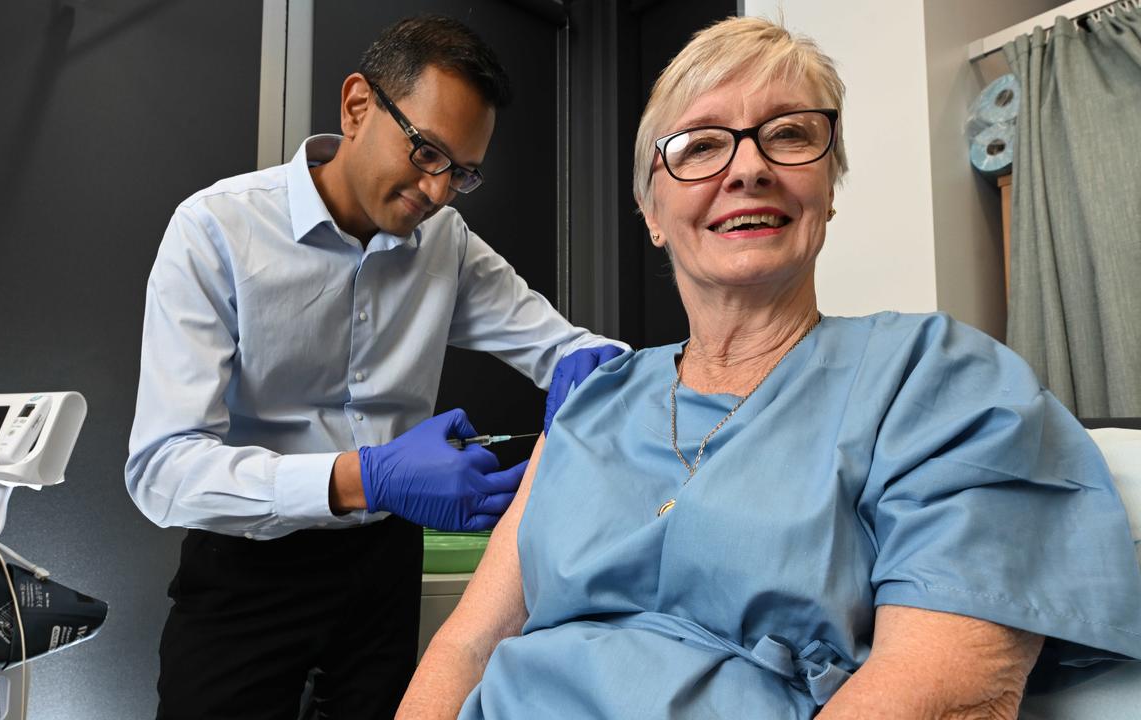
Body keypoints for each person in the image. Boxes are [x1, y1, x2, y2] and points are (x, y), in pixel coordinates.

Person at [398, 16, 1141, 720]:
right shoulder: (592, 406)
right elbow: (465, 644)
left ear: (828, 190)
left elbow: (942, 689)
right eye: (698, 145)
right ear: (651, 213)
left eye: (789, 135)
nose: (749, 167)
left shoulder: (939, 382)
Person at [125, 15, 625, 720]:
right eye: (427, 153)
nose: (439, 191)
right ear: (357, 105)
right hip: (249, 566)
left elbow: (559, 344)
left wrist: (599, 367)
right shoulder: (217, 231)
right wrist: (366, 476)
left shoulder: (444, 243)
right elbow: (162, 470)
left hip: (384, 561)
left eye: (463, 171)